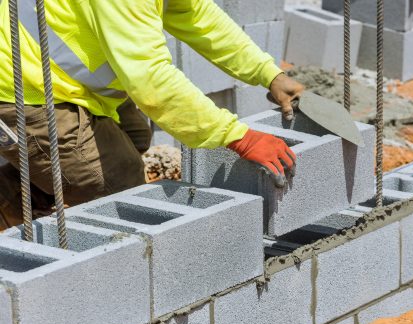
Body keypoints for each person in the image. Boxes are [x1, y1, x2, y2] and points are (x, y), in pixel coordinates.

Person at [0, 0, 304, 230]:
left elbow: (195, 14)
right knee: (118, 185)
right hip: (21, 88)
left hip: (61, 78)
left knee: (135, 137)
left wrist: (268, 74)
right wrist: (239, 137)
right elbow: (151, 80)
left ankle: (29, 185)